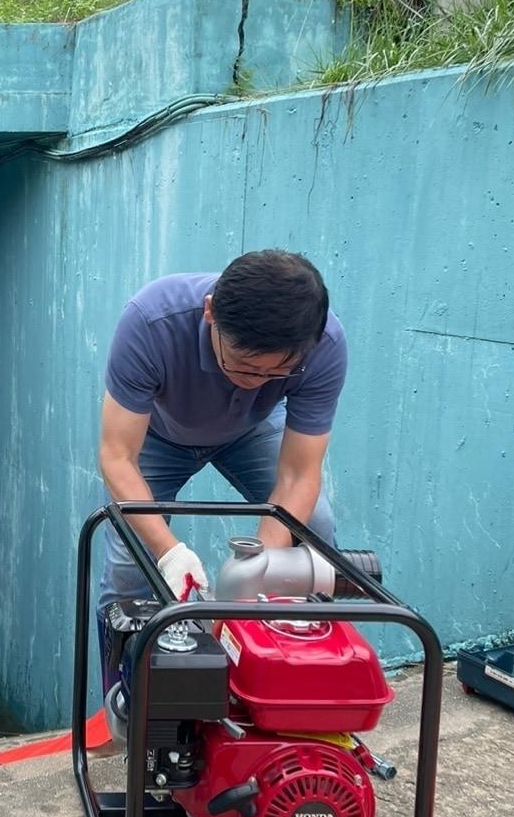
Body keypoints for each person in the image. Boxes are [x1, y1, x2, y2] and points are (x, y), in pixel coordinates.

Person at [98, 251, 347, 609]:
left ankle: (298, 654)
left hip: (253, 429)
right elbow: (117, 457)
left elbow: (298, 476)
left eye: (275, 373)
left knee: (315, 529)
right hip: (156, 436)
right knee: (129, 567)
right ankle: (127, 663)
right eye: (243, 365)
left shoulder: (325, 345)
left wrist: (260, 573)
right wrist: (169, 553)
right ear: (210, 312)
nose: (253, 383)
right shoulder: (150, 321)